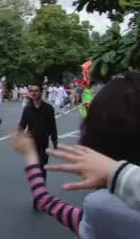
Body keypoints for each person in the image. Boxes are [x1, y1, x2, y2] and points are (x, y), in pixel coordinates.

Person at [11, 72, 140, 238]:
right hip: (34, 143)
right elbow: (22, 125)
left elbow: (46, 200)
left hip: (41, 145)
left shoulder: (101, 208)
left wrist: (31, 156)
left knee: (42, 168)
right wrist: (116, 172)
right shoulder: (28, 110)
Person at [18, 83, 57, 182]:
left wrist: (54, 140)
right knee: (36, 166)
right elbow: (22, 125)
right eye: (31, 91)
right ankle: (39, 187)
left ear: (40, 92)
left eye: (36, 90)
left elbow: (52, 125)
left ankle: (42, 187)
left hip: (44, 142)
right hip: (32, 143)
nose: (34, 93)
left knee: (42, 166)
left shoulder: (48, 108)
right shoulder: (27, 109)